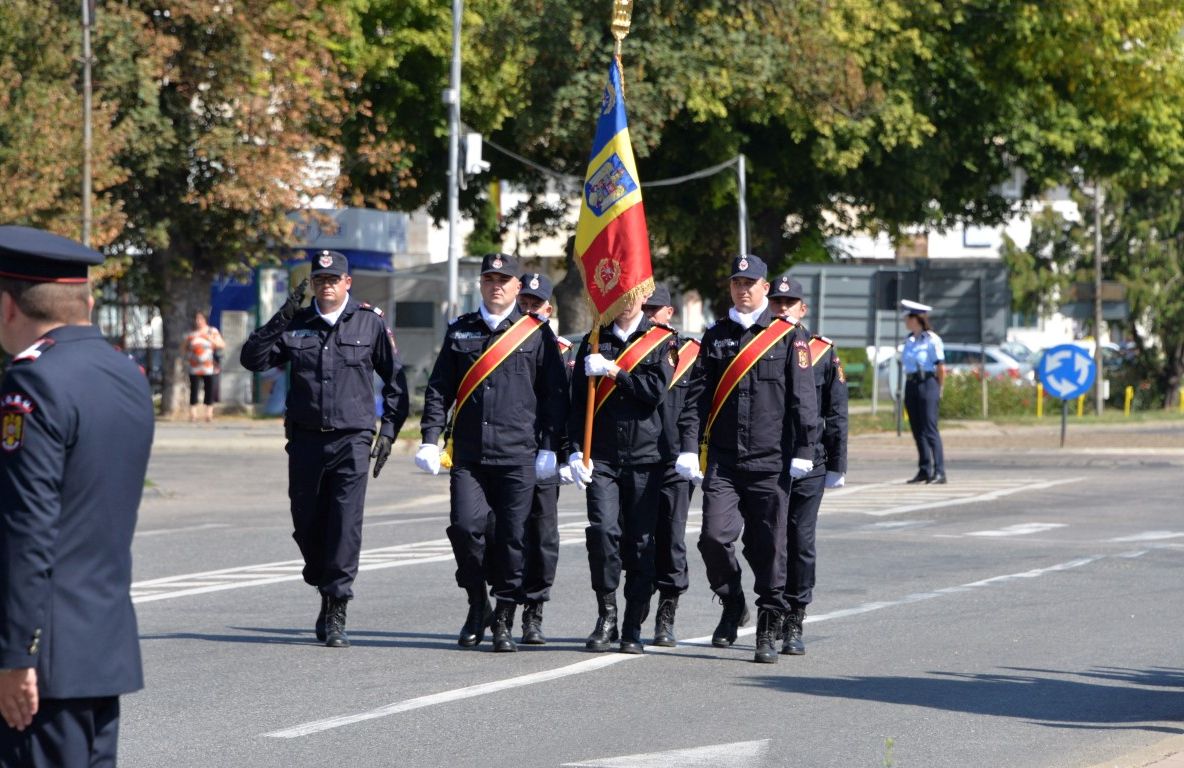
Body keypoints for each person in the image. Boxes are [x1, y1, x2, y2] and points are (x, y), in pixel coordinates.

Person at [0, 226, 154, 767]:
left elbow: (28, 528)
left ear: (7, 305)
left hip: (43, 663)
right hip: (100, 644)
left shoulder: (33, 383)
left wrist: (17, 655)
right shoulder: (126, 374)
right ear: (85, 301)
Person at [240, 250, 409, 648]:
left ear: (348, 283)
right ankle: (322, 579)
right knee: (307, 523)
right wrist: (283, 312)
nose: (326, 285)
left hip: (352, 439)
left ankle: (337, 604)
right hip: (306, 440)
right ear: (312, 284)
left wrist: (388, 431)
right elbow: (253, 358)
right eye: (319, 279)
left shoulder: (369, 323)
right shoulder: (297, 324)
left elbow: (396, 380)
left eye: (333, 279)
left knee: (345, 525)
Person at [417, 254, 568, 653]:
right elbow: (439, 389)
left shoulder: (535, 334)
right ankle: (476, 603)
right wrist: (430, 438)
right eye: (489, 279)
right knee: (466, 528)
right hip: (469, 455)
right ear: (480, 284)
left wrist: (550, 448)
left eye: (504, 279)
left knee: (511, 539)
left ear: (519, 287)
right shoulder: (460, 332)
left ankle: (504, 615)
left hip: (519, 455)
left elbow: (554, 397)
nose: (496, 285)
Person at [679, 255, 820, 664]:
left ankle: (768, 621)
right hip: (724, 459)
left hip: (771, 459)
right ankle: (732, 598)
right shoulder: (716, 336)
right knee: (713, 538)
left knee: (769, 546)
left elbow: (803, 398)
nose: (743, 290)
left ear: (764, 288)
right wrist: (690, 446)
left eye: (750, 283)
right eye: (736, 283)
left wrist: (805, 451)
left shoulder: (788, 336)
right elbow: (697, 399)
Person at [568, 289, 677, 654]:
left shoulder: (661, 341)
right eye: (620, 293)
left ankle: (633, 624)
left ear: (643, 294)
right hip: (602, 456)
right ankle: (607, 614)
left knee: (641, 543)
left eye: (633, 293)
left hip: (647, 458)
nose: (626, 300)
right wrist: (572, 450)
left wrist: (614, 371)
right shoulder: (594, 339)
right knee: (602, 534)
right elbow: (576, 400)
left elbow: (655, 391)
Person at [768, 274, 848, 655]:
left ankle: (795, 614)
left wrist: (838, 463)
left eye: (789, 304)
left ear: (803, 309)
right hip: (768, 459)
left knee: (800, 539)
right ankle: (770, 605)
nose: (782, 309)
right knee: (769, 540)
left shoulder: (821, 351)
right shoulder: (758, 346)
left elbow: (836, 411)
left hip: (810, 461)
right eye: (777, 303)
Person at [513, 271, 573, 645]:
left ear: (549, 308)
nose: (529, 310)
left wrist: (564, 453)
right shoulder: (497, 341)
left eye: (536, 305)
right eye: (525, 303)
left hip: (543, 452)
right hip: (503, 450)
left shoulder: (563, 350)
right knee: (493, 531)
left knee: (542, 535)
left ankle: (533, 610)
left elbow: (567, 406)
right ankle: (496, 599)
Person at [641, 284, 700, 647]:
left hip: (676, 460)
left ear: (669, 314)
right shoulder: (629, 351)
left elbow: (701, 405)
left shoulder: (690, 352)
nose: (650, 315)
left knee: (671, 537)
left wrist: (697, 452)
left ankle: (667, 611)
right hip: (636, 457)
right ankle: (637, 605)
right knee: (635, 538)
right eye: (645, 309)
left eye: (656, 309)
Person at [900, 299, 946, 484]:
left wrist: (939, 388)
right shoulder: (909, 340)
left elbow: (941, 367)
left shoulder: (932, 340)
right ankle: (924, 469)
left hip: (928, 384)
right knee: (917, 429)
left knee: (930, 429)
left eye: (907, 318)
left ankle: (940, 471)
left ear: (916, 319)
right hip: (911, 384)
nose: (905, 321)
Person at [182, 310, 225, 422]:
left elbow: (221, 345)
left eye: (200, 319)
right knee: (194, 390)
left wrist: (209, 339)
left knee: (209, 389)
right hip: (194, 366)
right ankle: (193, 415)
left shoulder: (212, 331)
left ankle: (209, 414)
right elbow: (183, 348)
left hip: (209, 366)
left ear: (205, 319)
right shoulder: (192, 334)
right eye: (196, 319)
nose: (198, 321)